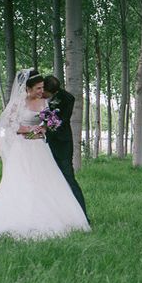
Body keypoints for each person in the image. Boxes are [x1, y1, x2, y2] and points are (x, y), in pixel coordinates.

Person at [0, 68, 90, 247]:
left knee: (46, 181)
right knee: (24, 181)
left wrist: (44, 128)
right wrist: (28, 130)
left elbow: (49, 122)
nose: (42, 92)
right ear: (28, 88)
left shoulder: (43, 103)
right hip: (23, 148)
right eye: (39, 88)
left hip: (39, 147)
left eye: (43, 88)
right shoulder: (18, 103)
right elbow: (10, 126)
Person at [42, 75, 89, 220]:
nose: (42, 93)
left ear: (53, 92)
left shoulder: (68, 98)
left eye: (45, 92)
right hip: (42, 145)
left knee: (68, 178)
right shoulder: (37, 96)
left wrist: (43, 116)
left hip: (62, 144)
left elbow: (60, 122)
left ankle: (82, 216)